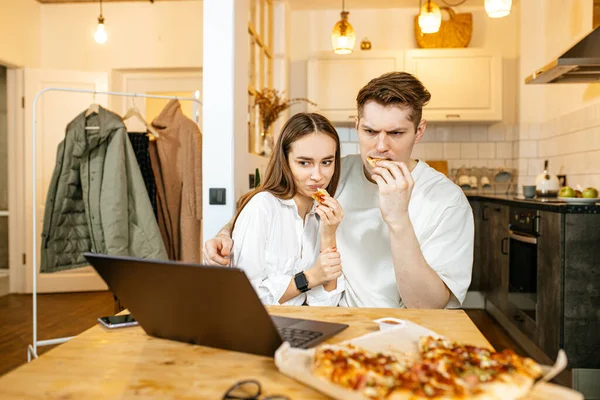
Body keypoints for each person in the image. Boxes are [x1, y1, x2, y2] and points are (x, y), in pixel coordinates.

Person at [204, 72, 474, 309]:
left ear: (419, 131)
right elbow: (277, 202)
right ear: (357, 126)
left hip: (404, 329)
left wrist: (398, 218)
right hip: (336, 319)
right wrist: (226, 233)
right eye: (369, 131)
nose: (380, 146)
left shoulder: (447, 201)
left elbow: (427, 306)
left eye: (395, 133)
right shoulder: (334, 173)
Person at [229, 112, 345, 306]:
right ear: (285, 161)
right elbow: (243, 297)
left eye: (326, 162)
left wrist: (328, 235)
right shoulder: (262, 207)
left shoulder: (327, 214)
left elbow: (327, 305)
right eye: (304, 163)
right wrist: (309, 278)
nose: (317, 175)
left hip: (310, 325)